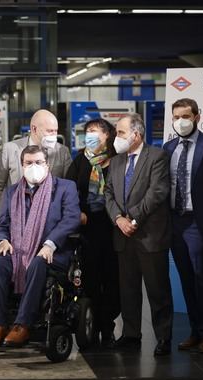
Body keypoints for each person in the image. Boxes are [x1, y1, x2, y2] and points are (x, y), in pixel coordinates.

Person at [0, 145, 80, 346]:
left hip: (53, 252)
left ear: (47, 164)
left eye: (38, 162)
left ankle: (23, 324)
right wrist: (2, 240)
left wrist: (50, 243)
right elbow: (1, 225)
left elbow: (71, 219)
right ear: (22, 165)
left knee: (38, 262)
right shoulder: (12, 193)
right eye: (29, 163)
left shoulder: (65, 187)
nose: (34, 166)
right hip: (16, 251)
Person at [104, 113, 173, 356]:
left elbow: (157, 192)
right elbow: (109, 195)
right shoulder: (115, 162)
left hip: (149, 235)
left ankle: (163, 337)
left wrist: (132, 218)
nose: (117, 137)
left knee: (158, 291)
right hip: (123, 236)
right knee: (129, 290)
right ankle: (131, 334)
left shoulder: (157, 157)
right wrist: (119, 219)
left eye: (121, 133)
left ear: (136, 134)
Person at [162, 98, 203, 354]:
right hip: (175, 220)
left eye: (185, 116)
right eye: (176, 117)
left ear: (197, 117)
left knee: (201, 278)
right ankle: (195, 331)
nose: (180, 121)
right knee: (185, 278)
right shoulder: (168, 148)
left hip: (200, 221)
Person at [66, 118, 120, 349]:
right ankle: (91, 324)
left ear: (107, 135)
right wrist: (77, 212)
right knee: (90, 279)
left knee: (113, 280)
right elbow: (68, 191)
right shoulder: (80, 161)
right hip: (87, 228)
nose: (90, 135)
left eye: (96, 131)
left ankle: (107, 326)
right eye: (88, 131)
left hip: (113, 227)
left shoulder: (117, 161)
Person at [0, 109, 72, 217]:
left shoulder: (62, 151)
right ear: (34, 129)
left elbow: (69, 187)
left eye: (56, 131)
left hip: (50, 218)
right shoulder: (10, 150)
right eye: (49, 131)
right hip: (16, 216)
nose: (54, 135)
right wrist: (0, 219)